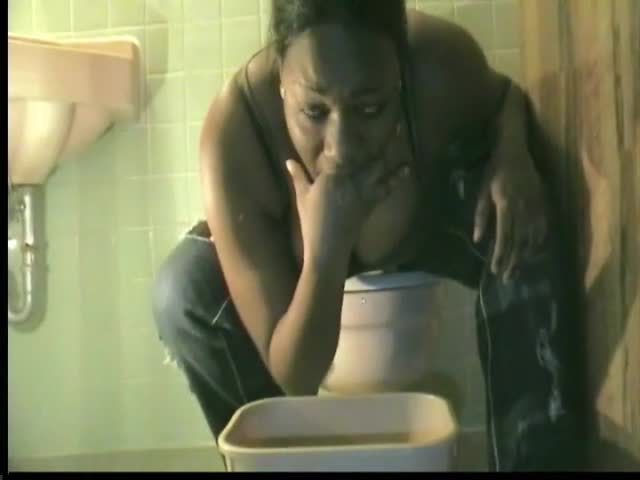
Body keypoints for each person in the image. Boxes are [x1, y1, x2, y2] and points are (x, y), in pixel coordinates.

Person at [151, 0, 584, 471]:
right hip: (298, 261)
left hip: (424, 225)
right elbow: (296, 376)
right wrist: (325, 251)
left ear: (400, 73)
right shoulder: (238, 135)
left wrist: (513, 155)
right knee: (184, 290)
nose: (343, 148)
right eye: (313, 111)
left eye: (371, 108)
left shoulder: (438, 62)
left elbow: (504, 98)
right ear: (281, 83)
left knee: (522, 225)